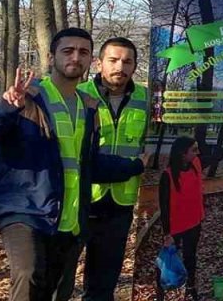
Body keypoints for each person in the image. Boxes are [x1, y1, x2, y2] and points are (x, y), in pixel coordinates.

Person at [0, 27, 144, 301]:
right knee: (29, 276)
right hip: (25, 211)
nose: (75, 57)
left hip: (68, 219)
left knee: (58, 293)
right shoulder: (28, 97)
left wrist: (135, 165)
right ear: (51, 56)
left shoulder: (87, 107)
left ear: (90, 59)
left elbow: (87, 164)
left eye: (82, 52)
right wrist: (6, 108)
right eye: (67, 51)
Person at [78, 37, 150, 301]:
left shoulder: (145, 98)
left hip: (120, 201)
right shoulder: (80, 94)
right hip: (80, 196)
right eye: (113, 60)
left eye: (127, 61)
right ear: (99, 63)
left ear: (134, 66)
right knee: (58, 278)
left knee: (104, 282)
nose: (120, 66)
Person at [159, 136, 204, 299]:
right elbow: (164, 207)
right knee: (168, 259)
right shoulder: (167, 175)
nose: (197, 153)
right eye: (193, 150)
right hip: (175, 226)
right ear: (182, 154)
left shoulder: (196, 165)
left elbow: (216, 156)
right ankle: (162, 290)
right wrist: (167, 234)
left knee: (190, 257)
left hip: (194, 222)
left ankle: (191, 287)